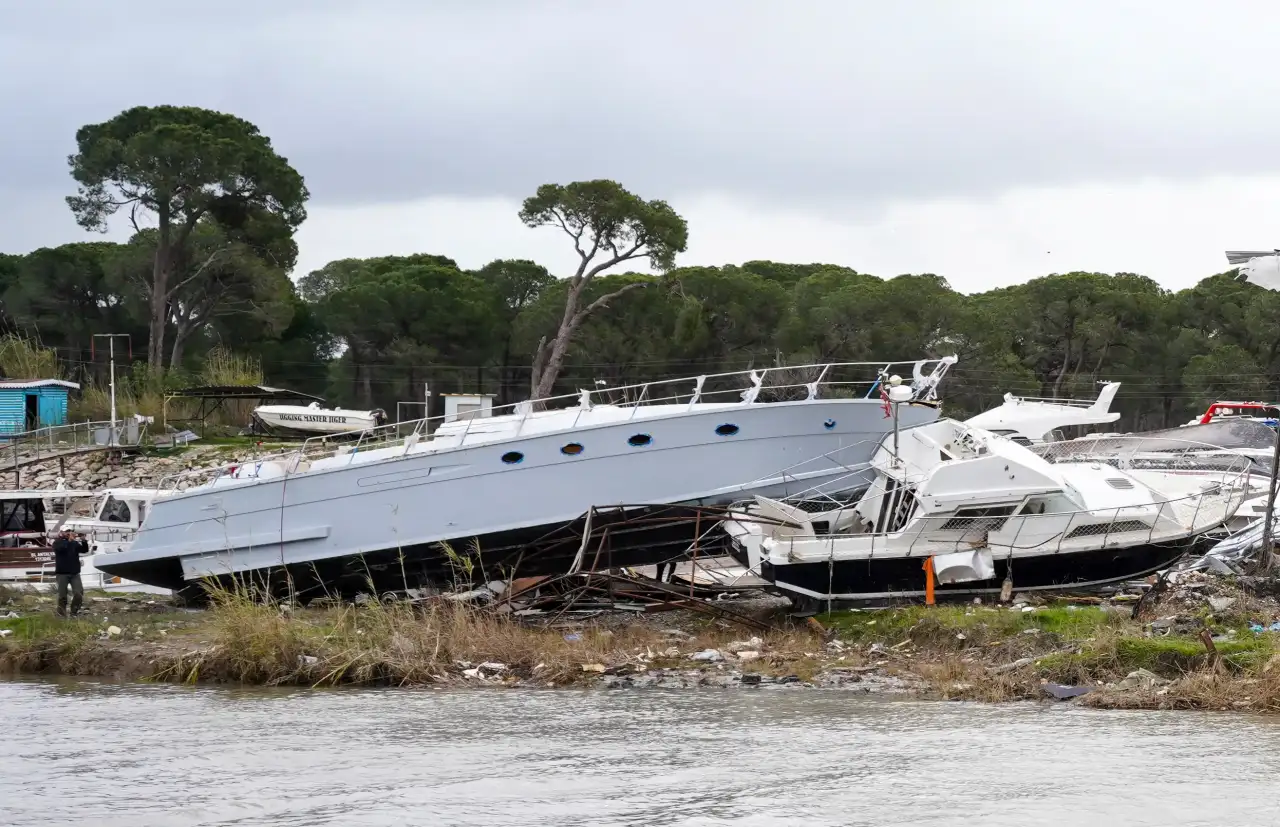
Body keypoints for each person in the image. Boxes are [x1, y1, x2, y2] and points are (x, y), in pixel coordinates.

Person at [52, 530, 88, 617]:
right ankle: (61, 614)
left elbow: (84, 550)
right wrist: (69, 541)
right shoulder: (57, 542)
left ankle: (74, 612)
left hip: (74, 573)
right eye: (67, 532)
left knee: (79, 593)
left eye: (70, 531)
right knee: (62, 596)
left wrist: (83, 540)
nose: (69, 533)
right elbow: (62, 548)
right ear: (62, 533)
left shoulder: (74, 543)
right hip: (62, 573)